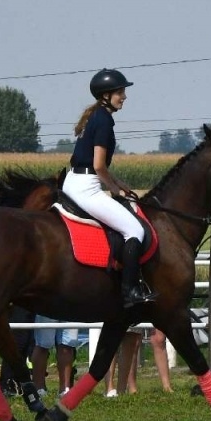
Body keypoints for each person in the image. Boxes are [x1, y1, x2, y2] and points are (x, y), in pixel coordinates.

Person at [67, 69, 153, 308]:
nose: (124, 97)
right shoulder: (104, 120)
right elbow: (98, 165)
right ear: (106, 95)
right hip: (87, 187)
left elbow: (96, 166)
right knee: (134, 230)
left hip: (74, 181)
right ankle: (130, 291)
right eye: (120, 92)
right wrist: (114, 189)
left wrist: (119, 184)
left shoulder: (95, 115)